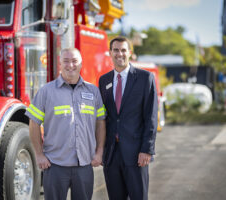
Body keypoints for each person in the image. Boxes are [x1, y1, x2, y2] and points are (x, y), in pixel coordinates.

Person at [25, 48, 106, 200]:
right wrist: (39, 154)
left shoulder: (93, 92)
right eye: (66, 61)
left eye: (74, 61)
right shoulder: (46, 91)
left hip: (84, 165)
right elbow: (33, 123)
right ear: (60, 64)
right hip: (55, 165)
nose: (70, 65)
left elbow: (100, 122)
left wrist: (99, 151)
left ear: (81, 64)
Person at [99, 36, 158, 200]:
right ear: (110, 53)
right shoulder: (104, 81)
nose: (120, 54)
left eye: (123, 50)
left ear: (130, 53)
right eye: (116, 50)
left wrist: (147, 149)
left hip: (136, 153)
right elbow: (104, 118)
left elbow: (151, 117)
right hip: (112, 154)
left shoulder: (145, 79)